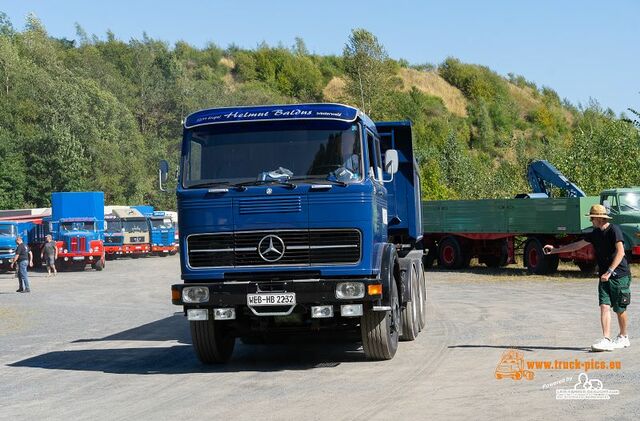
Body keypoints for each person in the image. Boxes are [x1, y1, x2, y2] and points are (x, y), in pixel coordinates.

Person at [543, 204, 631, 351]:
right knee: (604, 306)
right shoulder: (595, 233)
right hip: (604, 276)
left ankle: (623, 337)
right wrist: (555, 250)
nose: (591, 221)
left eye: (592, 218)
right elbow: (577, 245)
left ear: (599, 218)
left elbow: (621, 252)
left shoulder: (614, 230)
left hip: (619, 275)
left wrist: (609, 271)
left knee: (619, 309)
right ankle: (606, 339)